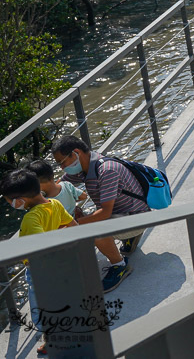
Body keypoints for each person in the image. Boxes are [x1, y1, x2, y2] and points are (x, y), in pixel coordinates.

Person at [52, 137, 151, 292]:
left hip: (138, 218)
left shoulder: (107, 170)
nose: (63, 167)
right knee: (81, 217)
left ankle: (120, 266)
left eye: (62, 162)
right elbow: (57, 186)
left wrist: (75, 224)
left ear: (75, 153)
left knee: (93, 228)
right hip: (125, 212)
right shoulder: (85, 167)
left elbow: (105, 212)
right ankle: (129, 237)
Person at [2, 168, 76, 355]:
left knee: (41, 311)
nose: (10, 204)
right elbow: (73, 226)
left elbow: (39, 249)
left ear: (21, 200)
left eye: (10, 201)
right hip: (62, 264)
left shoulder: (30, 218)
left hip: (40, 272)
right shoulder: (55, 204)